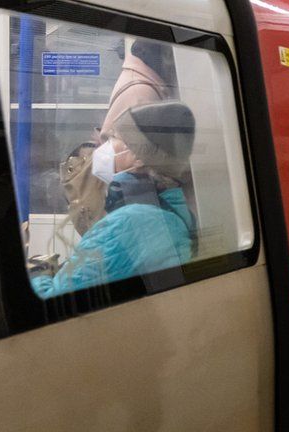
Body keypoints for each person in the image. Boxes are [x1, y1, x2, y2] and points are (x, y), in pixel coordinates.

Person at [28, 101, 196, 298]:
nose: (103, 146)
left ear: (139, 157)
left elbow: (55, 300)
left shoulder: (130, 223)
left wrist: (39, 272)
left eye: (114, 138)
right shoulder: (174, 210)